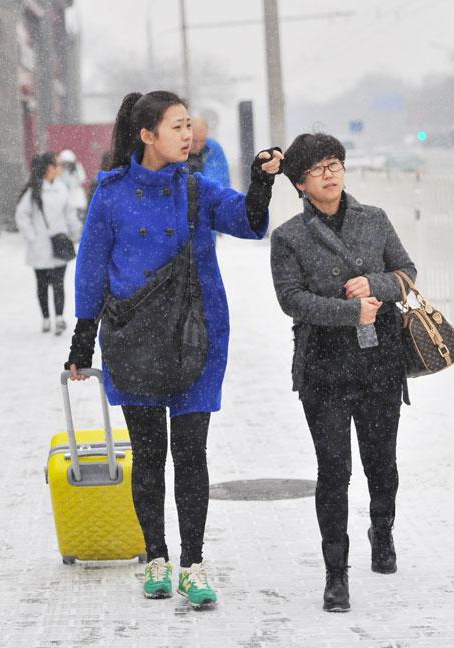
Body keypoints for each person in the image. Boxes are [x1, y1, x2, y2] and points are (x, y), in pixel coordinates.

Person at [65, 90, 283, 608]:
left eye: (189, 125)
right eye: (177, 126)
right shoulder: (112, 192)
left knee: (190, 454)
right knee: (148, 455)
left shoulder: (197, 189)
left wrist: (262, 180)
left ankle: (194, 564)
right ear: (147, 135)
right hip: (133, 334)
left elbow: (249, 223)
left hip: (196, 335)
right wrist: (82, 338)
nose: (188, 135)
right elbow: (92, 265)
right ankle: (156, 557)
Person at [270, 133, 417, 613]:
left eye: (336, 164)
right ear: (300, 183)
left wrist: (374, 285)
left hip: (380, 363)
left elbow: (407, 273)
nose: (330, 174)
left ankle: (383, 528)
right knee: (334, 471)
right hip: (323, 369)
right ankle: (336, 573)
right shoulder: (289, 237)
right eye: (318, 169)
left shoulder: (374, 220)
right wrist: (349, 311)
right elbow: (291, 300)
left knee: (381, 462)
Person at [15, 151, 81, 335]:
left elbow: (69, 213)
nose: (60, 168)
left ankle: (59, 317)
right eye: (57, 165)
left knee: (59, 283)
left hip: (59, 242)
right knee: (42, 284)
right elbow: (22, 215)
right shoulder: (34, 191)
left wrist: (75, 231)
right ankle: (45, 318)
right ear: (49, 168)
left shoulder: (62, 189)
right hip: (40, 245)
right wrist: (31, 237)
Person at [187, 116, 231, 189]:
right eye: (194, 141)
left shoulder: (213, 149)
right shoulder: (175, 151)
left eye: (202, 141)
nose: (198, 146)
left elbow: (221, 182)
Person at [58, 149, 88, 221]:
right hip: (64, 200)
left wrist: (75, 172)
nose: (67, 166)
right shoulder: (61, 172)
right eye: (65, 163)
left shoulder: (77, 169)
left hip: (77, 200)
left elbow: (82, 178)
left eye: (69, 163)